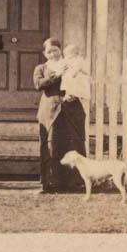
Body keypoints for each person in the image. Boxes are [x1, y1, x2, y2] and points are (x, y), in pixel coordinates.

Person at [33, 38, 87, 194]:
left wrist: (75, 94)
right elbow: (39, 85)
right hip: (50, 110)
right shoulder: (41, 68)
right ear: (44, 53)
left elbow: (82, 80)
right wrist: (57, 75)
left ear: (60, 50)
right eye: (49, 51)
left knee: (73, 143)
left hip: (71, 109)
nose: (53, 54)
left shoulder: (71, 64)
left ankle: (75, 182)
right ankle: (51, 182)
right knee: (51, 145)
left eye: (55, 50)